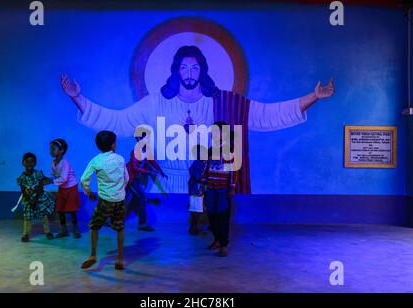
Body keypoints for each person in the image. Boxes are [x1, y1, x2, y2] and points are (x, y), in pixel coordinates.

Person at [61, 45, 334, 193]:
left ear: (202, 70)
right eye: (184, 67)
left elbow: (265, 115)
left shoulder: (222, 101)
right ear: (176, 71)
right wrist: (77, 98)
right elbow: (118, 122)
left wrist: (313, 96)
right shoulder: (156, 102)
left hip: (210, 183)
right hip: (166, 186)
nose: (189, 72)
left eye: (195, 67)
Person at [80, 131, 129, 270]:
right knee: (120, 228)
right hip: (119, 200)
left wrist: (88, 192)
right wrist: (120, 190)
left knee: (94, 226)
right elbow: (127, 178)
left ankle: (93, 255)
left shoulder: (96, 161)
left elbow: (84, 179)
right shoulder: (120, 159)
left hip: (105, 201)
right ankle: (119, 259)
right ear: (113, 144)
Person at [202, 122, 237, 257]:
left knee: (223, 216)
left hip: (223, 189)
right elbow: (206, 169)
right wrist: (203, 186)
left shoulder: (229, 150)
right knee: (211, 215)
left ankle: (224, 244)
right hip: (211, 188)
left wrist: (232, 188)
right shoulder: (210, 150)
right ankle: (216, 239)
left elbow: (233, 171)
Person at [125, 126, 167, 232]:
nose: (148, 140)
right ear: (139, 139)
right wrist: (149, 172)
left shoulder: (146, 150)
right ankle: (142, 224)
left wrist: (161, 173)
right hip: (131, 179)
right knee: (141, 198)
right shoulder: (135, 151)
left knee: (127, 201)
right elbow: (135, 168)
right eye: (145, 138)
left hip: (136, 179)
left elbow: (153, 162)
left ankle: (110, 220)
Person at [17, 152, 55, 242]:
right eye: (27, 161)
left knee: (43, 216)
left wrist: (35, 200)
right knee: (27, 217)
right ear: (23, 163)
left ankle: (47, 231)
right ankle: (26, 234)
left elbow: (40, 188)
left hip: (39, 198)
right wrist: (29, 201)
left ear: (35, 163)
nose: (30, 164)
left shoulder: (38, 174)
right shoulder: (21, 177)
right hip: (28, 200)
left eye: (32, 162)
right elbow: (23, 191)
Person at [48, 138, 81, 239]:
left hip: (71, 188)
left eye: (53, 149)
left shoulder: (65, 162)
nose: (51, 151)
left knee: (72, 210)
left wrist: (51, 181)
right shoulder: (53, 163)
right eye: (50, 149)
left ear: (61, 150)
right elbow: (55, 176)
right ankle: (64, 230)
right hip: (62, 188)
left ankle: (76, 229)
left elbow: (64, 178)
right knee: (59, 209)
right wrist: (46, 179)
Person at [188, 144, 208, 235]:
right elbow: (195, 175)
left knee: (197, 209)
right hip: (196, 188)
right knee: (196, 209)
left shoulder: (202, 163)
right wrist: (203, 179)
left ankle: (194, 227)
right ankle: (193, 228)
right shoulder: (197, 163)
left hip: (197, 188)